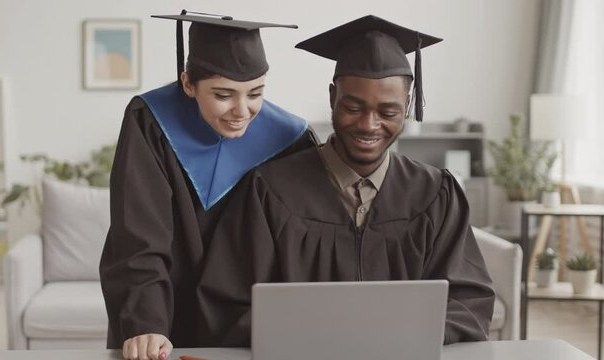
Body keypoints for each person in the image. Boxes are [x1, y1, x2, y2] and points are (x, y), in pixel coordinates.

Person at [197, 14, 495, 346]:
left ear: (408, 106)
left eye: (388, 112)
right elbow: (227, 306)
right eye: (353, 107)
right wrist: (319, 335)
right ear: (332, 98)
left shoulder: (436, 194)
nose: (369, 125)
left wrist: (398, 335)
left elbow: (469, 305)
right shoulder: (270, 191)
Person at [99, 11, 318, 359]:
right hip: (165, 322)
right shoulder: (150, 121)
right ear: (188, 84)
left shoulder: (291, 139)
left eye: (255, 92)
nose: (241, 110)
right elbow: (137, 233)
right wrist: (146, 323)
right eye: (223, 94)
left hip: (251, 325)